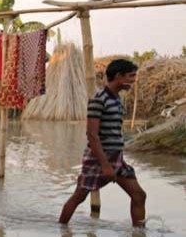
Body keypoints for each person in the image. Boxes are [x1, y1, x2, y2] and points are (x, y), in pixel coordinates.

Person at [59, 59, 145, 226]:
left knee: (139, 195)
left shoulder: (116, 99)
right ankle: (61, 229)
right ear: (119, 77)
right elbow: (92, 135)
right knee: (79, 196)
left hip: (116, 159)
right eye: (131, 76)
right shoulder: (99, 99)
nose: (134, 80)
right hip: (98, 160)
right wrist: (105, 165)